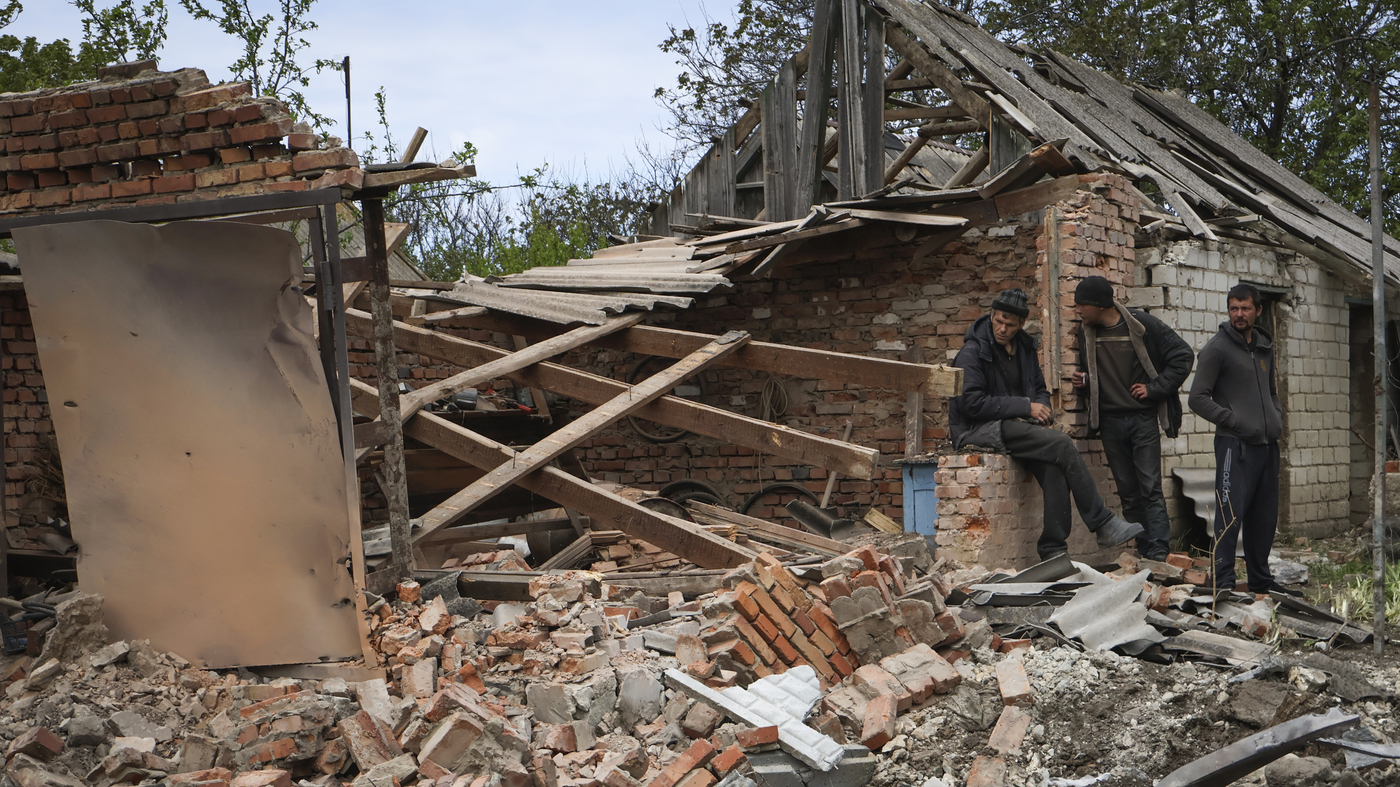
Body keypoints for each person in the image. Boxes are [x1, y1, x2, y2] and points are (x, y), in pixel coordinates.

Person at [950, 288, 1144, 561]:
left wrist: (1041, 409)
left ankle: (1053, 550)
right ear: (992, 315)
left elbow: (1039, 388)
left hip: (1015, 425)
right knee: (1062, 444)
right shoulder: (973, 352)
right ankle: (1101, 523)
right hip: (978, 429)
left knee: (1054, 468)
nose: (1003, 329)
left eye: (1010, 324)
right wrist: (1025, 407)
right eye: (999, 321)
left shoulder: (1026, 349)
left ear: (1020, 325)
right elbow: (971, 404)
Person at [1070, 276, 1194, 562]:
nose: (1077, 310)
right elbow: (1099, 373)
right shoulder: (1086, 332)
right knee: (1127, 490)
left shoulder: (1142, 326)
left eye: (1081, 305)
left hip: (1142, 419)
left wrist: (1154, 389)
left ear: (1099, 305)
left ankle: (1160, 549)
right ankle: (1143, 548)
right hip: (1110, 422)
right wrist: (1085, 381)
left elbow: (1183, 356)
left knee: (1149, 487)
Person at [1188, 283, 1293, 594]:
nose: (1239, 314)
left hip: (1266, 446)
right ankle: (1224, 583)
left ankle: (1261, 580)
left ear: (1258, 311)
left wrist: (1276, 419)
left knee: (1264, 516)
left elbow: (1272, 392)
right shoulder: (1216, 349)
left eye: (1245, 308)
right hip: (1235, 446)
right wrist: (1233, 421)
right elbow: (1197, 398)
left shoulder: (1264, 347)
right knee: (1230, 513)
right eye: (1234, 308)